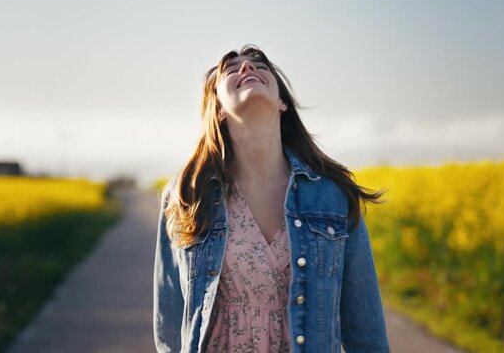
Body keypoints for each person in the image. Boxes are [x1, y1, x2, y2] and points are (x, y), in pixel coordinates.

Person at [153, 44, 390, 353]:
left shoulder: (332, 195)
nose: (247, 68)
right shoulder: (188, 194)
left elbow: (365, 331)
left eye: (259, 64)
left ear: (282, 103)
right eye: (231, 68)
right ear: (219, 109)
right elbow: (170, 324)